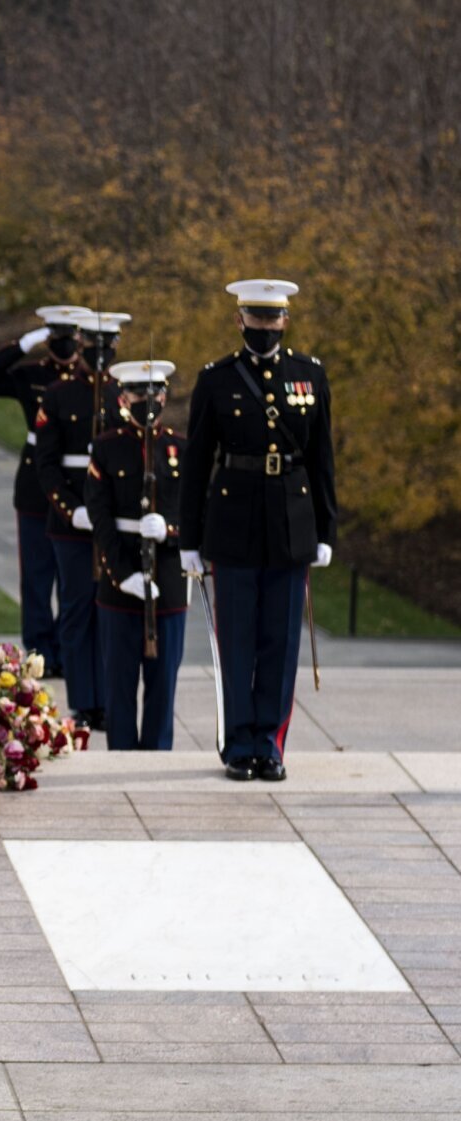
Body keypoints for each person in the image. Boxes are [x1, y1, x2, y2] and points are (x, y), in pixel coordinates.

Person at [180, 279, 336, 782]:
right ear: (239, 319)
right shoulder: (216, 379)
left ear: (285, 321)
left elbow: (321, 459)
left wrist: (326, 531)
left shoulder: (308, 375)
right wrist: (188, 539)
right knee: (238, 642)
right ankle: (237, 744)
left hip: (291, 524)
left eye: (273, 319)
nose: (264, 328)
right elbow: (197, 462)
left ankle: (270, 743)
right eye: (256, 318)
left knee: (280, 642)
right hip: (233, 523)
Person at [0, 304, 91, 676]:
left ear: (81, 339)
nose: (66, 345)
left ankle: (71, 653)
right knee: (38, 578)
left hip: (76, 490)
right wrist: (22, 345)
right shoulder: (32, 375)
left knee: (74, 581)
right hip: (37, 486)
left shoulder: (89, 380)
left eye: (71, 337)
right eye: (58, 338)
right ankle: (41, 655)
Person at [32, 310, 131, 732]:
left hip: (113, 522)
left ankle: (108, 699)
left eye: (109, 346)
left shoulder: (124, 395)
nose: (102, 354)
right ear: (83, 347)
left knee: (110, 611)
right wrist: (72, 508)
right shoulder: (57, 394)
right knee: (76, 611)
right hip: (72, 521)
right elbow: (46, 463)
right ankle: (84, 701)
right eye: (94, 347)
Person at [87, 360, 188, 751]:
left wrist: (171, 529)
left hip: (168, 580)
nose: (148, 402)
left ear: (164, 396)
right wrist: (122, 573)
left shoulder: (182, 447)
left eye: (155, 394)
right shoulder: (107, 447)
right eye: (138, 395)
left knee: (163, 683)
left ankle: (158, 754)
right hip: (121, 580)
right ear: (122, 398)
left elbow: (197, 511)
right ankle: (121, 753)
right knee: (120, 684)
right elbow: (100, 517)